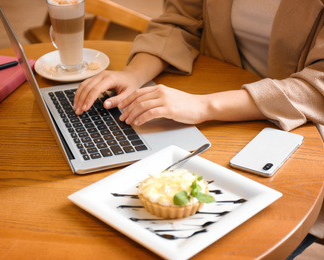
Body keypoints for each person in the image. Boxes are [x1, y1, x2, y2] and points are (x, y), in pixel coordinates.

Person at [74, 0, 324, 257]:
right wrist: (134, 74)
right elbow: (180, 20)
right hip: (205, 89)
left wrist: (204, 105)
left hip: (300, 122)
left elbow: (319, 83)